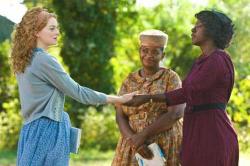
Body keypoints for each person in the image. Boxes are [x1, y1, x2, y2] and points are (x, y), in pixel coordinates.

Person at [10, 7, 133, 166]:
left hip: (30, 129)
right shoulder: (45, 61)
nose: (57, 33)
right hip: (48, 130)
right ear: (36, 32)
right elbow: (79, 92)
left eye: (57, 28)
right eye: (52, 28)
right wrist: (118, 99)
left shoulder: (24, 60)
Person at [124, 10, 239, 166]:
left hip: (211, 130)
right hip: (195, 128)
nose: (193, 29)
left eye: (198, 26)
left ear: (211, 31)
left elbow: (188, 92)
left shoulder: (218, 59)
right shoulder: (201, 60)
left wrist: (147, 98)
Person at [112, 29, 185, 165]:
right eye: (145, 50)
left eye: (155, 52)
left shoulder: (171, 78)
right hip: (132, 144)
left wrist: (142, 136)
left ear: (163, 55)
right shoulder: (129, 80)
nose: (149, 55)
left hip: (163, 145)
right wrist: (135, 141)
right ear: (140, 52)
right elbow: (120, 114)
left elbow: (175, 113)